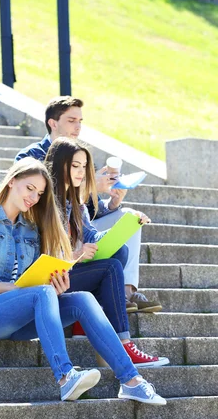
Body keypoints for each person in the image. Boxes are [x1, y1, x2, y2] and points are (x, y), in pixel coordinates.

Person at [0, 157, 166, 404]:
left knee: (82, 299)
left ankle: (131, 381)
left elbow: (36, 275)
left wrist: (55, 284)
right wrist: (12, 289)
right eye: (30, 188)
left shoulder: (30, 228)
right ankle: (66, 377)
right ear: (12, 181)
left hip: (21, 316)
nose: (34, 198)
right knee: (42, 293)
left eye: (39, 193)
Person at [15, 96, 162, 314]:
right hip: (53, 236)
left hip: (81, 226)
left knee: (129, 217)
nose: (78, 127)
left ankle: (127, 292)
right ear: (53, 123)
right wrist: (91, 188)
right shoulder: (31, 156)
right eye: (72, 120)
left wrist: (111, 203)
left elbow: (84, 211)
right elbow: (42, 202)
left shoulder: (82, 157)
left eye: (81, 121)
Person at [45, 137, 169, 368]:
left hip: (68, 273)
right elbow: (40, 249)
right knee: (111, 267)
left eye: (84, 166)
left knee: (119, 253)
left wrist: (126, 227)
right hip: (50, 278)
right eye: (75, 166)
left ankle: (85, 323)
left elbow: (92, 236)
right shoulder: (45, 200)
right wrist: (74, 254)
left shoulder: (75, 201)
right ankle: (123, 344)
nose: (81, 172)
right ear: (60, 165)